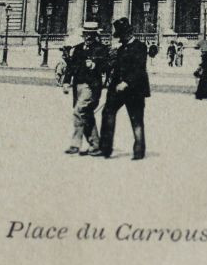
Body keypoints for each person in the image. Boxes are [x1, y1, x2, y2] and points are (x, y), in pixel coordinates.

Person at [96, 17, 149, 159]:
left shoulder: (140, 47)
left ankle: (139, 150)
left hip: (135, 90)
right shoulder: (120, 49)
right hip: (117, 89)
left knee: (136, 119)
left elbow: (139, 69)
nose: (120, 39)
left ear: (128, 34)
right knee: (107, 112)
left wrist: (126, 82)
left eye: (121, 36)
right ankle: (105, 148)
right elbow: (115, 68)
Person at [62, 22, 107, 155]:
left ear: (95, 35)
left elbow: (106, 65)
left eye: (91, 34)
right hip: (78, 85)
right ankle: (95, 145)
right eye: (86, 34)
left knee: (79, 110)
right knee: (86, 114)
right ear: (83, 35)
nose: (88, 37)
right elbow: (70, 67)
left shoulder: (101, 49)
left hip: (91, 86)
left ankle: (75, 144)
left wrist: (94, 65)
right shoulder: (77, 49)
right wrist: (66, 82)